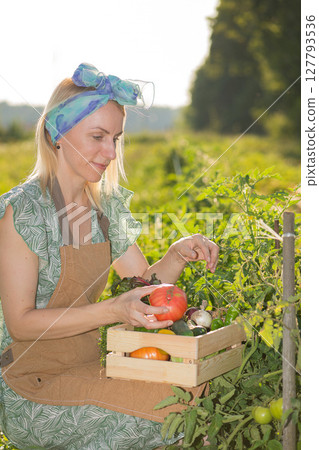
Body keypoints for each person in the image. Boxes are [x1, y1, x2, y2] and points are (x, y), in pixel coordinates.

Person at [0, 63, 219, 449]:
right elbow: (21, 324)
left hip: (90, 366)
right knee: (165, 416)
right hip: (28, 384)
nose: (110, 152)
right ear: (56, 134)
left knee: (187, 399)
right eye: (98, 136)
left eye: (115, 138)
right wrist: (113, 310)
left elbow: (144, 287)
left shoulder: (103, 209)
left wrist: (177, 255)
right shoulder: (23, 212)